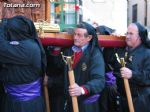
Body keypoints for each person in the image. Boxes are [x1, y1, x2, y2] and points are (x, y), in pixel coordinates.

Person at [52, 22, 105, 112]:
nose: (75, 37)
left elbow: (99, 81)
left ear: (89, 38)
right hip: (69, 103)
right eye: (75, 34)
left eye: (79, 35)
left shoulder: (95, 54)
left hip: (87, 106)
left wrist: (82, 89)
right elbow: (57, 68)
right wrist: (56, 50)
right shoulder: (68, 51)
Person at [0, 15, 46, 112]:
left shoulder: (29, 48)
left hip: (26, 105)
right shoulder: (25, 44)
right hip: (10, 99)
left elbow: (1, 48)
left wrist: (2, 26)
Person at [115, 23, 150, 112]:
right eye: (127, 33)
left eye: (131, 34)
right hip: (123, 100)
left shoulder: (147, 53)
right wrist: (114, 41)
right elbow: (110, 63)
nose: (127, 36)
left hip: (140, 101)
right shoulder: (122, 50)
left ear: (140, 36)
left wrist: (132, 74)